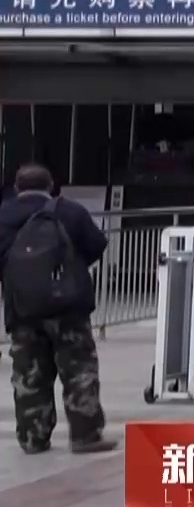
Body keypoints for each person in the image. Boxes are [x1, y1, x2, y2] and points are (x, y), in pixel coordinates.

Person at [0, 163, 116, 455]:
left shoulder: (4, 216)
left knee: (29, 375)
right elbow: (96, 246)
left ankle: (33, 438)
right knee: (79, 370)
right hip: (68, 308)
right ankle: (85, 435)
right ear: (51, 185)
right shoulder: (70, 211)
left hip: (22, 310)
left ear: (16, 188)